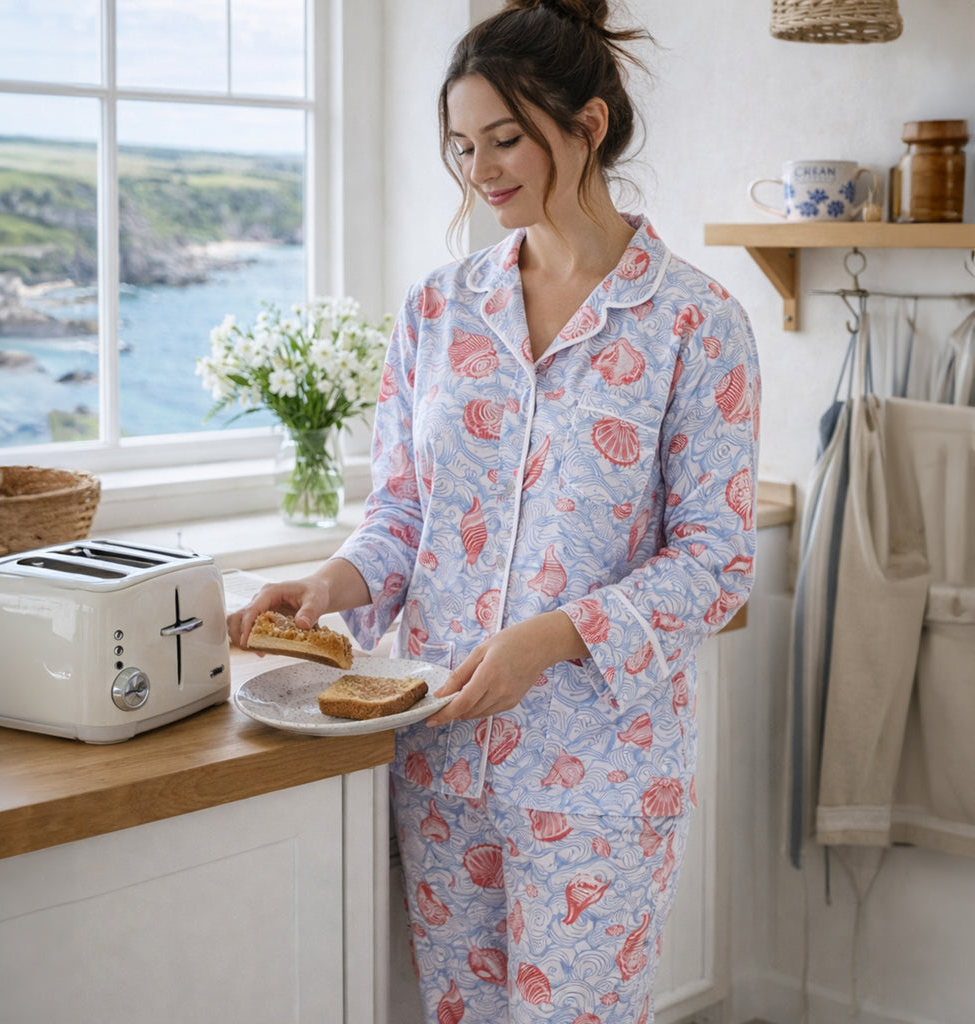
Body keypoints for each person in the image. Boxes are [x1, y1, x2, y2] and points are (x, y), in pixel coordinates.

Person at [228, 0, 760, 1020]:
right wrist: (330, 583)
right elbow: (402, 512)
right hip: (437, 748)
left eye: (505, 138)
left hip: (598, 771)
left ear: (588, 125)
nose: (480, 169)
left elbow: (715, 561)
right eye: (463, 146)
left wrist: (550, 639)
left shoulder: (696, 322)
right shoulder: (436, 310)